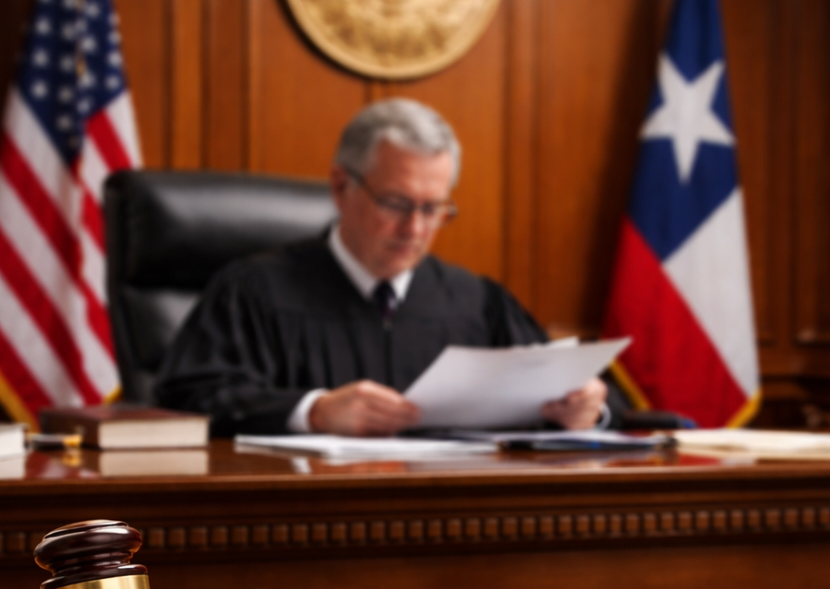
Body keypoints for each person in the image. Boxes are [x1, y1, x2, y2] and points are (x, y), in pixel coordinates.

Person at [155, 100, 615, 437]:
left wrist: (585, 408)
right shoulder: (253, 292)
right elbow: (187, 401)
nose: (414, 228)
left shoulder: (476, 302)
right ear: (341, 186)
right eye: (396, 203)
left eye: (433, 208)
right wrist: (314, 411)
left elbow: (577, 393)